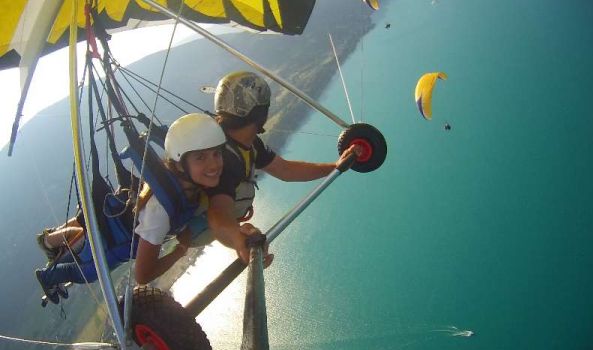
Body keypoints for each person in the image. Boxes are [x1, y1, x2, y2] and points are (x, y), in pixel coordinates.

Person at [35, 113, 267, 304]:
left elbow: (218, 215)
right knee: (85, 271)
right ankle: (48, 274)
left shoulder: (186, 183)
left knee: (83, 239)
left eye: (217, 154)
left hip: (118, 220)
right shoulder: (160, 213)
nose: (214, 164)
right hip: (113, 243)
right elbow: (142, 275)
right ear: (179, 162)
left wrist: (237, 233)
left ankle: (50, 241)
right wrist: (180, 251)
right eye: (201, 157)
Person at [206, 71, 359, 264]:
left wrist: (335, 167)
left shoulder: (248, 143)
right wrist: (238, 239)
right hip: (203, 227)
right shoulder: (222, 157)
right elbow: (218, 212)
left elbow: (285, 170)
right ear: (260, 113)